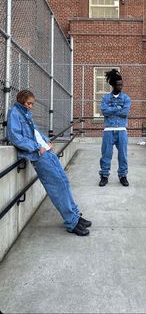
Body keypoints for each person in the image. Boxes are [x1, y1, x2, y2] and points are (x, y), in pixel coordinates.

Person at [7, 90, 92, 237]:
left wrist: (46, 140)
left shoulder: (26, 113)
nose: (31, 106)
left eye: (32, 104)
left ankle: (75, 215)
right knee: (57, 186)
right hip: (38, 155)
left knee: (63, 181)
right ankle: (71, 223)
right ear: (21, 101)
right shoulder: (15, 113)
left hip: (46, 152)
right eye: (28, 103)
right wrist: (37, 147)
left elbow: (35, 131)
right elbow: (15, 138)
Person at [99, 69, 132, 187]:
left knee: (123, 154)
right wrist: (118, 108)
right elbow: (104, 111)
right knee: (106, 154)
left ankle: (123, 176)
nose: (121, 86)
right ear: (112, 85)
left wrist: (112, 109)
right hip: (108, 129)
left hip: (122, 130)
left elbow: (125, 113)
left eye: (122, 84)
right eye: (118, 85)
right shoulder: (105, 98)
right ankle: (104, 175)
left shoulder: (127, 98)